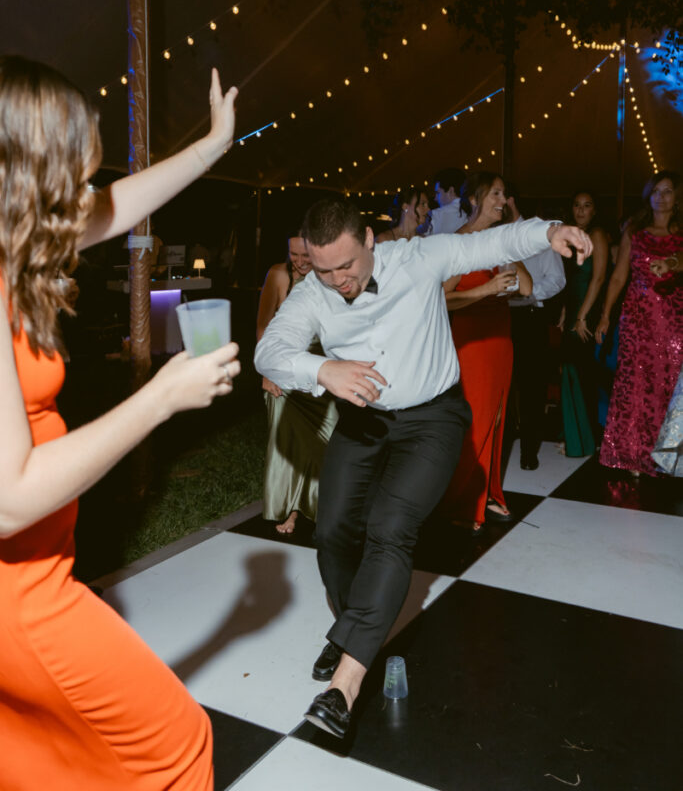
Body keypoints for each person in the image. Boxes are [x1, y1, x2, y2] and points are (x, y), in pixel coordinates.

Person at [254, 198, 592, 738]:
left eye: (346, 265)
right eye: (325, 270)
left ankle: (343, 687)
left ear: (369, 239)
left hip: (432, 418)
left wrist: (549, 230)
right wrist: (322, 368)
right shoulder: (314, 291)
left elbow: (489, 243)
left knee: (390, 527)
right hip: (362, 418)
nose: (339, 280)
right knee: (333, 532)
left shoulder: (418, 258)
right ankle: (354, 629)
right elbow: (269, 350)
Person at [0, 56, 240, 790]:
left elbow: (116, 208)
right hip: (20, 596)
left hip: (41, 570)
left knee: (55, 770)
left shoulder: (12, 249)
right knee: (176, 746)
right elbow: (9, 499)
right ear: (29, 172)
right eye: (74, 177)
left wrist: (211, 146)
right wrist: (159, 398)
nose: (88, 196)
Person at [440, 173, 532, 531]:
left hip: (500, 341)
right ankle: (460, 502)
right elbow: (443, 299)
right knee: (473, 421)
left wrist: (508, 246)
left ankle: (487, 493)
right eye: (496, 193)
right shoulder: (458, 243)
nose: (503, 200)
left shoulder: (499, 240)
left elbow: (527, 287)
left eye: (504, 194)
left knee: (495, 420)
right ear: (475, 199)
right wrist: (486, 290)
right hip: (471, 343)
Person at [596, 170, 683, 476]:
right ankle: (633, 454)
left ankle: (667, 457)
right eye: (656, 191)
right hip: (637, 320)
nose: (662, 197)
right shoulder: (635, 231)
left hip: (674, 322)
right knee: (635, 385)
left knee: (669, 386)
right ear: (648, 196)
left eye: (668, 191)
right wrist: (605, 314)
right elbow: (619, 276)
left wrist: (672, 262)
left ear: (677, 196)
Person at [256, 232, 338, 535]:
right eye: (294, 254)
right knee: (287, 441)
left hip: (319, 371)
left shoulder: (329, 277)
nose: (300, 262)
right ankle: (290, 508)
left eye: (306, 255)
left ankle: (322, 506)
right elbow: (263, 325)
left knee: (328, 440)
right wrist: (267, 371)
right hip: (284, 371)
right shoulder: (279, 275)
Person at [505, 185, 567, 469]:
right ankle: (500, 451)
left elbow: (557, 279)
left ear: (510, 200)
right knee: (502, 388)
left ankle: (528, 452)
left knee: (531, 389)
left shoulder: (537, 233)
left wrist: (527, 293)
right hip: (495, 318)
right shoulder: (489, 236)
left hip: (529, 317)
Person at [559, 191, 609, 458]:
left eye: (586, 206)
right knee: (571, 370)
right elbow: (570, 279)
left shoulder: (597, 235)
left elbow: (598, 278)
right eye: (577, 205)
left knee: (581, 372)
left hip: (586, 313)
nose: (580, 210)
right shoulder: (571, 236)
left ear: (594, 210)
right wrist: (566, 311)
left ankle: (585, 440)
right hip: (573, 310)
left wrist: (581, 316)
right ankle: (575, 436)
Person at [429, 167, 468, 234]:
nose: (435, 198)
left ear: (451, 191)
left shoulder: (435, 215)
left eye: (438, 193)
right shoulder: (474, 213)